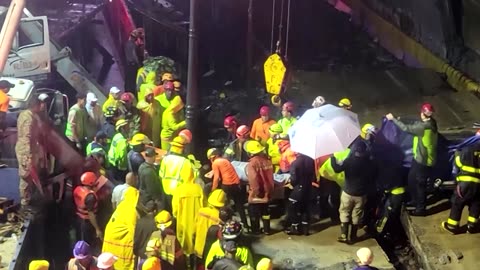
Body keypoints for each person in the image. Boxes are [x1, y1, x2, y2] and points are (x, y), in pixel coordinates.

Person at [386, 103, 438, 216]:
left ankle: (421, 209)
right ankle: (415, 200)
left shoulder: (424, 127)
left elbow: (406, 128)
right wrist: (402, 119)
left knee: (420, 184)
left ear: (423, 114)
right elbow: (415, 123)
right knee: (411, 179)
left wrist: (393, 119)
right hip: (419, 158)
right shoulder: (431, 123)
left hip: (423, 160)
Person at [331, 141, 375, 244]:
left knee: (345, 212)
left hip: (348, 192)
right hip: (361, 194)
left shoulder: (349, 161)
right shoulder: (369, 163)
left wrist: (332, 158)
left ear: (355, 150)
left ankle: (344, 235)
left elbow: (337, 169)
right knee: (357, 215)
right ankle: (353, 236)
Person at [15, 95, 47, 211]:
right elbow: (26, 137)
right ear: (36, 105)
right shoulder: (27, 117)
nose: (43, 106)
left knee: (33, 175)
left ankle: (30, 198)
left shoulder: (33, 116)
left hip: (33, 150)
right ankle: (25, 202)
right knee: (27, 175)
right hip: (26, 150)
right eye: (41, 104)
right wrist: (28, 156)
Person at [441, 141, 480, 234]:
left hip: (465, 183)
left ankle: (452, 226)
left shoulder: (467, 149)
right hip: (479, 184)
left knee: (457, 203)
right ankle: (472, 226)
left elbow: (458, 162)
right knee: (476, 204)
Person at [207, 148, 249, 228]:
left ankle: (226, 224)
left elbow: (216, 178)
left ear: (213, 157)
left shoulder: (215, 163)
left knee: (224, 205)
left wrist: (213, 189)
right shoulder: (225, 160)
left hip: (227, 185)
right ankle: (245, 224)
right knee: (239, 205)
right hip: (236, 184)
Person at [172, 165, 204, 261]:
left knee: (184, 243)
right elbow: (204, 204)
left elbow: (175, 208)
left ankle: (186, 262)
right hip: (197, 220)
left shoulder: (179, 189)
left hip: (183, 221)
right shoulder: (198, 188)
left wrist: (175, 214)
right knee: (196, 241)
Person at [244, 140, 274, 235]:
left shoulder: (252, 163)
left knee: (253, 211)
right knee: (265, 211)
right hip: (268, 190)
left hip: (258, 191)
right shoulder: (268, 161)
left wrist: (255, 192)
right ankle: (267, 230)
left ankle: (255, 230)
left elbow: (254, 179)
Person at [159, 136, 194, 212]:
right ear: (183, 148)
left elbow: (161, 175)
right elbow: (189, 183)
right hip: (179, 194)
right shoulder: (186, 162)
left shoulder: (165, 159)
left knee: (167, 215)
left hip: (165, 192)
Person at [284, 153, 316, 236]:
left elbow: (294, 178)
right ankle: (306, 228)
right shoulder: (310, 160)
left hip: (298, 189)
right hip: (308, 188)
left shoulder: (296, 163)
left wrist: (291, 184)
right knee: (305, 208)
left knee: (292, 208)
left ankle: (295, 227)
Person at [194, 189, 227, 259]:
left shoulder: (201, 211)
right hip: (211, 250)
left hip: (198, 247)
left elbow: (194, 228)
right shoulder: (221, 218)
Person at [74, 172, 103, 246]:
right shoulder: (90, 197)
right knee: (87, 243)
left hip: (78, 219)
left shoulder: (78, 189)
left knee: (79, 240)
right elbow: (91, 214)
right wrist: (97, 228)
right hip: (87, 223)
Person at [134, 201, 158, 265]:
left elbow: (136, 240)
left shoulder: (139, 222)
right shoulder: (156, 224)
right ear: (155, 211)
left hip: (141, 256)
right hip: (152, 257)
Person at [124, 28, 145, 93]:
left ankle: (127, 91)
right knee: (133, 80)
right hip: (133, 65)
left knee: (127, 80)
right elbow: (134, 56)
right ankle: (132, 92)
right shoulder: (133, 45)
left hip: (128, 65)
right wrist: (139, 65)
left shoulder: (127, 44)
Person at [0, 80, 13, 165]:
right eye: (8, 88)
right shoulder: (5, 98)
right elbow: (1, 115)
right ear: (4, 88)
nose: (9, 90)